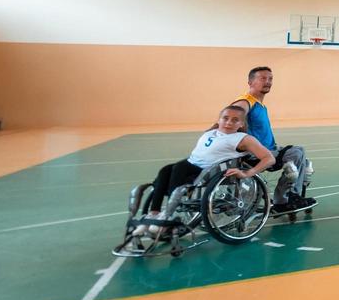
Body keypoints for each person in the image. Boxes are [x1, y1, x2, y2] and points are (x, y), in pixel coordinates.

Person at [126, 104, 275, 251]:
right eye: (226, 118)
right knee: (165, 171)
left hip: (207, 172)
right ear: (219, 120)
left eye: (235, 120)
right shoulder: (212, 132)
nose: (229, 122)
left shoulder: (243, 138)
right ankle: (154, 212)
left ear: (242, 123)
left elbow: (269, 158)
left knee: (178, 168)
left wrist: (247, 173)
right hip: (191, 165)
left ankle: (168, 214)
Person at [232, 66, 315, 215]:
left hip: (270, 149)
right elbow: (235, 112)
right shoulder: (245, 101)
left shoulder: (259, 104)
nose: (268, 82)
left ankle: (289, 197)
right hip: (258, 154)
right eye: (262, 78)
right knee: (297, 152)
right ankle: (285, 199)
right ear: (250, 82)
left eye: (270, 79)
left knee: (300, 155)